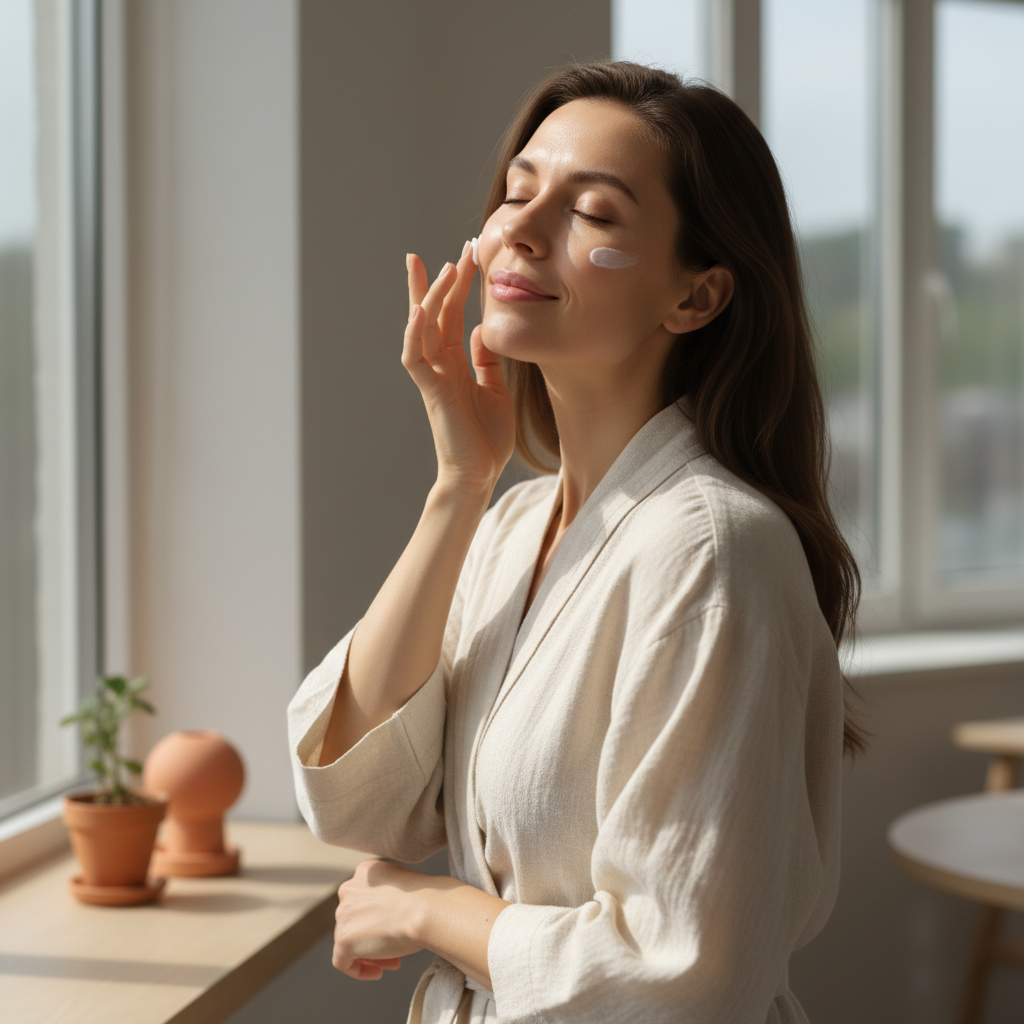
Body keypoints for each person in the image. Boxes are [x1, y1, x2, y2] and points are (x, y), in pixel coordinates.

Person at [287, 60, 863, 1024]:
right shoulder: (511, 524)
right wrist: (458, 489)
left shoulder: (713, 552)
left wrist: (434, 908)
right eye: (517, 193)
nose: (519, 224)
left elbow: (685, 973)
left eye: (592, 213)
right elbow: (357, 804)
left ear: (696, 297)